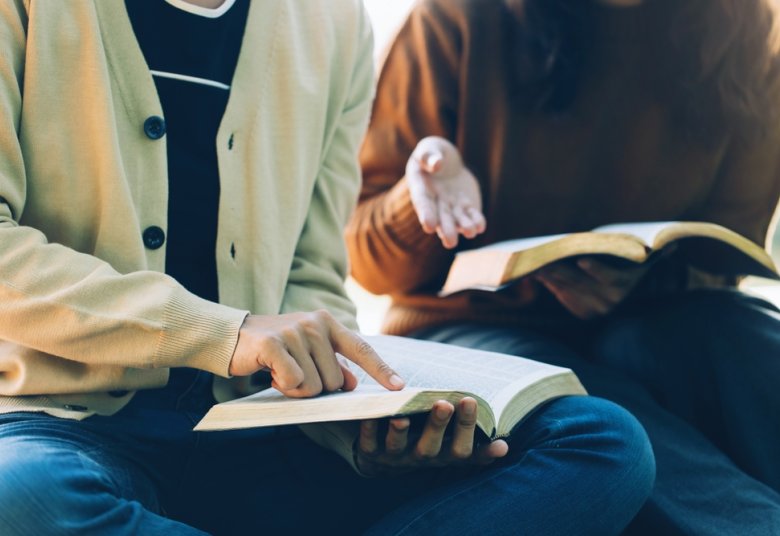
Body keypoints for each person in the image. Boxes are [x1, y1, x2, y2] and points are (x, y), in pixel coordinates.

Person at [0, 0, 654, 534]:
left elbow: (312, 274)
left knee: (599, 441)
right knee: (20, 494)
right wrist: (226, 333)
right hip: (65, 425)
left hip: (268, 427)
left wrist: (363, 432)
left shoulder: (334, 21)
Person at [347, 0, 780, 534]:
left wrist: (633, 282)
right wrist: (424, 206)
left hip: (653, 316)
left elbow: (726, 255)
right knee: (603, 420)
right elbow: (366, 263)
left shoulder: (745, 39)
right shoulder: (456, 18)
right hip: (470, 324)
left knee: (747, 345)